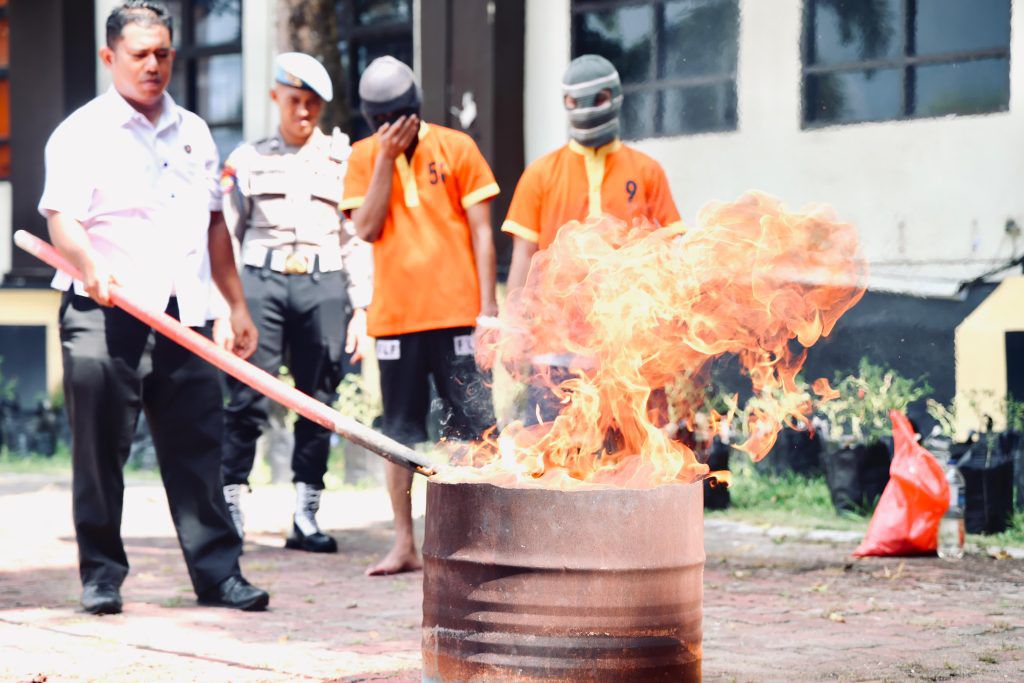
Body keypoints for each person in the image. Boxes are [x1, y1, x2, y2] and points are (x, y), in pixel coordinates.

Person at [38, 1, 268, 614]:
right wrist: (89, 265)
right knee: (99, 448)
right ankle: (102, 577)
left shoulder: (194, 131)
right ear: (109, 57)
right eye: (139, 54)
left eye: (163, 53)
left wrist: (235, 305)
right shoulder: (81, 133)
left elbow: (216, 228)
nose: (153, 65)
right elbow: (62, 219)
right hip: (102, 309)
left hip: (182, 312)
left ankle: (219, 575)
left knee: (199, 444)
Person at [340, 56, 499, 575]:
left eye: (401, 120)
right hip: (396, 321)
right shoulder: (363, 157)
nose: (395, 131)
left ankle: (486, 541)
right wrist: (385, 158)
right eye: (384, 124)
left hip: (456, 317)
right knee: (398, 437)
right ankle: (405, 543)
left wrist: (488, 312)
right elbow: (365, 227)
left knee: (476, 432)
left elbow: (481, 232)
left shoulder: (457, 147)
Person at [219, 52, 371, 553]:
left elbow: (355, 238)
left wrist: (362, 309)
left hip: (323, 284)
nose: (303, 111)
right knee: (246, 396)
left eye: (312, 103)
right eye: (294, 100)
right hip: (260, 282)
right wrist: (227, 306)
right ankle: (232, 506)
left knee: (317, 400)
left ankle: (306, 514)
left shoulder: (345, 161)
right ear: (276, 98)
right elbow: (229, 236)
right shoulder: (247, 158)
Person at [502, 54, 682, 423]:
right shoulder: (540, 174)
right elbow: (523, 257)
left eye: (596, 99)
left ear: (613, 97)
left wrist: (673, 329)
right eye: (574, 101)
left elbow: (668, 256)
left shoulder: (646, 172)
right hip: (554, 350)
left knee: (632, 462)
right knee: (551, 459)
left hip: (629, 349)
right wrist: (513, 328)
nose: (585, 110)